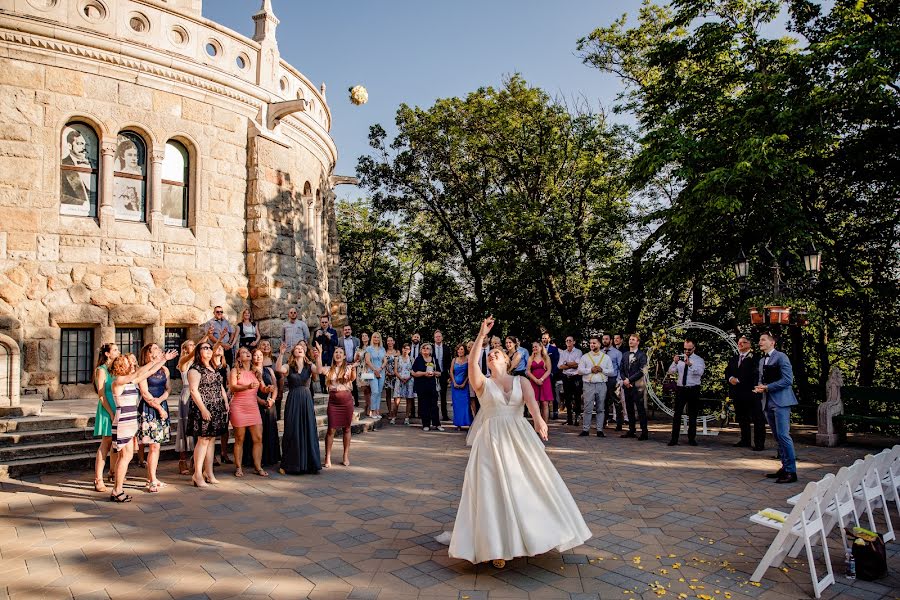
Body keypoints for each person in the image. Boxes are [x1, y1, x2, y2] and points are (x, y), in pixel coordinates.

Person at [442, 316, 591, 567]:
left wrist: (539, 421)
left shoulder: (521, 380)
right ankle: (495, 548)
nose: (492, 357)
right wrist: (481, 336)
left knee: (529, 484)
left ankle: (534, 534)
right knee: (492, 491)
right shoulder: (483, 384)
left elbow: (533, 405)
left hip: (519, 438)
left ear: (507, 360)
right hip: (491, 440)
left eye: (496, 355)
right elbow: (471, 364)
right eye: (489, 355)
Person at [108, 348, 178, 502]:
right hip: (123, 422)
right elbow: (138, 373)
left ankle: (117, 489)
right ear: (120, 366)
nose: (132, 363)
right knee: (124, 457)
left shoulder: (130, 380)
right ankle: (117, 490)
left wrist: (163, 360)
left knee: (126, 456)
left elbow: (145, 373)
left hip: (131, 421)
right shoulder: (118, 381)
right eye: (128, 362)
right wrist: (155, 360)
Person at [755, 333, 799, 484]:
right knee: (777, 437)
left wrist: (767, 387)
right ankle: (784, 467)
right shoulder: (762, 360)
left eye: (763, 340)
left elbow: (788, 380)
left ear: (772, 343)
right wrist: (760, 388)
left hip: (781, 402)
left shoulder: (781, 357)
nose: (760, 342)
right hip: (767, 402)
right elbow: (762, 379)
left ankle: (791, 472)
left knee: (783, 435)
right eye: (760, 340)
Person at [186, 342, 230, 488]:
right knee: (203, 440)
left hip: (216, 407)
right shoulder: (195, 369)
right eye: (205, 348)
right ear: (199, 352)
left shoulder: (213, 367)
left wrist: (225, 401)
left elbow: (220, 386)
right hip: (202, 408)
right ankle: (197, 474)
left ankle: (209, 473)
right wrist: (203, 409)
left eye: (210, 348)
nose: (209, 350)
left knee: (211, 440)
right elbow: (193, 391)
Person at [277, 342, 322, 474]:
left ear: (304, 351)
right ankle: (290, 464)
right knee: (292, 429)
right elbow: (279, 369)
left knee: (308, 428)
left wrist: (318, 356)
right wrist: (281, 353)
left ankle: (309, 463)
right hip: (293, 399)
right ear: (293, 353)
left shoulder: (309, 365)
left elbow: (319, 371)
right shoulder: (289, 366)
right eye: (297, 349)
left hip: (306, 399)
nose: (299, 350)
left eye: (301, 348)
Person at [137, 343, 172, 493]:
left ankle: (153, 477)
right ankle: (150, 479)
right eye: (156, 349)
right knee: (152, 444)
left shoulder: (164, 369)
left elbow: (168, 388)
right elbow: (144, 392)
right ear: (148, 354)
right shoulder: (143, 370)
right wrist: (156, 405)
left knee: (157, 445)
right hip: (148, 408)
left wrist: (161, 400)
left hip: (161, 405)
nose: (159, 350)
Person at [316, 344, 355, 467]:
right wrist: (320, 354)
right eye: (336, 352)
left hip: (347, 402)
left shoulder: (349, 368)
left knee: (347, 428)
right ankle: (327, 457)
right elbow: (318, 370)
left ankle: (345, 455)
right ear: (333, 355)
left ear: (344, 356)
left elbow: (352, 378)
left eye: (340, 353)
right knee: (331, 429)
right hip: (333, 403)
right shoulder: (329, 369)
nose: (338, 354)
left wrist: (353, 369)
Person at [229, 347, 265, 477]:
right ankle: (238, 467)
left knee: (258, 438)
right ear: (239, 358)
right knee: (239, 438)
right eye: (244, 352)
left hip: (253, 407)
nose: (248, 353)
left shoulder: (256, 371)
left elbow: (263, 388)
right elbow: (233, 387)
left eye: (248, 352)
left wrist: (270, 389)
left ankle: (258, 467)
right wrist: (247, 387)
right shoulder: (235, 371)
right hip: (238, 406)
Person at [725, 336, 764, 451]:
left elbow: (754, 373)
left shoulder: (755, 358)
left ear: (749, 345)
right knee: (742, 418)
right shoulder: (734, 358)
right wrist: (730, 378)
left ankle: (759, 443)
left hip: (751, 392)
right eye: (739, 342)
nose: (740, 344)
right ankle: (745, 440)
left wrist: (739, 380)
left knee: (757, 419)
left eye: (743, 342)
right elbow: (727, 371)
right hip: (737, 393)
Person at [667, 338, 706, 446]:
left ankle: (692, 439)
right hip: (681, 389)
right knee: (677, 415)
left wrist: (690, 364)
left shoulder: (699, 360)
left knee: (692, 415)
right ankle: (674, 439)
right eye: (685, 349)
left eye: (689, 349)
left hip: (693, 388)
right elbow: (671, 371)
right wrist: (674, 362)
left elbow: (700, 373)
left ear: (694, 348)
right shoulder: (680, 358)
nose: (686, 352)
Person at [92, 343, 119, 493]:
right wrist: (111, 412)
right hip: (106, 407)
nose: (118, 351)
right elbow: (101, 394)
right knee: (106, 442)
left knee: (116, 442)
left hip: (117, 405)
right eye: (115, 350)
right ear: (107, 354)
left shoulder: (115, 369)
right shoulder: (101, 370)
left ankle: (113, 472)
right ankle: (98, 478)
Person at [577, 337, 614, 437]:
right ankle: (585, 429)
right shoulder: (585, 357)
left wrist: (602, 370)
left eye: (594, 343)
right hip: (588, 385)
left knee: (601, 408)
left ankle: (599, 430)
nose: (592, 345)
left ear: (599, 344)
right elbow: (580, 370)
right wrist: (590, 370)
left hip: (601, 385)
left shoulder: (606, 358)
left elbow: (611, 371)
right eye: (591, 343)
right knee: (587, 408)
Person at [252, 345, 281, 466]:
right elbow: (251, 392)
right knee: (258, 432)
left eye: (260, 355)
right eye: (255, 355)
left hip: (270, 403)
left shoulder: (269, 370)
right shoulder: (251, 371)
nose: (258, 357)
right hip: (256, 403)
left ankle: (271, 457)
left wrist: (272, 400)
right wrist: (261, 401)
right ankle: (259, 459)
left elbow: (275, 386)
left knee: (270, 429)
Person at [620, 334, 649, 440]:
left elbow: (643, 371)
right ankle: (631, 430)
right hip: (627, 386)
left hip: (638, 386)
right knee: (629, 408)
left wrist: (630, 380)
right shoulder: (625, 354)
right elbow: (621, 369)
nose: (630, 341)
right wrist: (624, 380)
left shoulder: (642, 355)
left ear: (638, 342)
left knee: (641, 409)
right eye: (630, 339)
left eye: (633, 340)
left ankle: (644, 432)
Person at [175, 340, 196, 475]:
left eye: (195, 344)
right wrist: (206, 336)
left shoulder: (198, 362)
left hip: (198, 394)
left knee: (197, 427)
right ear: (185, 348)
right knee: (184, 426)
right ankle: (182, 460)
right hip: (187, 394)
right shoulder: (183, 361)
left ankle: (195, 458)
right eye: (191, 344)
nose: (194, 346)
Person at [412, 343, 442, 431]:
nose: (425, 349)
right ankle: (426, 424)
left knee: (434, 405)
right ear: (421, 350)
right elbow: (414, 373)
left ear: (430, 351)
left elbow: (439, 373)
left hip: (432, 385)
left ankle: (437, 424)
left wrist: (433, 373)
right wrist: (424, 373)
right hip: (422, 385)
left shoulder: (434, 360)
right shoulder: (418, 360)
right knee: (424, 405)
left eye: (427, 348)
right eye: (423, 348)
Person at [211, 343, 231, 466]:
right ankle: (211, 455)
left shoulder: (226, 366)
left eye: (221, 348)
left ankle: (224, 453)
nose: (219, 349)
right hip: (211, 398)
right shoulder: (209, 365)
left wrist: (227, 396)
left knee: (225, 428)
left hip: (223, 398)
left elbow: (228, 383)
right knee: (212, 428)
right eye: (217, 347)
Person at [526, 341, 554, 429]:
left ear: (541, 347)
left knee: (545, 403)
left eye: (536, 347)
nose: (534, 348)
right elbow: (528, 371)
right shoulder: (531, 358)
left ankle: (544, 426)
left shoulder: (546, 358)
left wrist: (541, 379)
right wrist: (535, 380)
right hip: (533, 381)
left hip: (544, 381)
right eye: (533, 347)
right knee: (535, 403)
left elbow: (549, 370)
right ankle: (537, 425)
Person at [558, 336, 583, 426]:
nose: (568, 342)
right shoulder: (563, 353)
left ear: (574, 342)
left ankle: (577, 417)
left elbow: (577, 365)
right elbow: (559, 366)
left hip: (575, 377)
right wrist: (571, 364)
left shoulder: (578, 352)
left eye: (570, 340)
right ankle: (569, 419)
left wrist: (566, 363)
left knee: (577, 398)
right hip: (566, 377)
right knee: (567, 399)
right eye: (567, 341)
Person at [601, 334, 624, 430]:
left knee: (616, 402)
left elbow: (620, 367)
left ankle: (619, 424)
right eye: (603, 339)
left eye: (606, 339)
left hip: (613, 379)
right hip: (602, 379)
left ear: (611, 340)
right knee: (603, 401)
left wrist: (618, 380)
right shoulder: (601, 352)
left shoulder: (617, 353)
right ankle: (603, 422)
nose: (604, 341)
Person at [312, 314, 339, 393]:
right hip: (321, 355)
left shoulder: (333, 331)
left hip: (330, 355)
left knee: (331, 371)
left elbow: (336, 343)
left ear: (328, 322)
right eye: (322, 322)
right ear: (320, 323)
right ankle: (323, 388)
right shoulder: (317, 331)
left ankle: (330, 387)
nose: (324, 324)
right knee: (321, 372)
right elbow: (313, 344)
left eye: (325, 322)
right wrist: (316, 337)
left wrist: (330, 338)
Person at [365, 332, 387, 419]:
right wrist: (375, 370)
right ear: (372, 338)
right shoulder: (369, 348)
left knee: (379, 392)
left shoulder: (382, 349)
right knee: (375, 391)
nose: (376, 339)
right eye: (374, 337)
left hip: (381, 372)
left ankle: (378, 411)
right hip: (372, 372)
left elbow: (385, 361)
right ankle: (372, 411)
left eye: (378, 337)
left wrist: (380, 369)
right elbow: (367, 361)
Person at [451, 344, 472, 430]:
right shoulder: (454, 359)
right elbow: (451, 372)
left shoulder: (468, 359)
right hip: (455, 385)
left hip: (464, 384)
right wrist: (454, 382)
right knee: (457, 405)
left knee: (466, 403)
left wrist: (464, 383)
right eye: (458, 350)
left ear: (464, 350)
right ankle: (458, 424)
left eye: (462, 349)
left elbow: (469, 372)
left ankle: (468, 423)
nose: (460, 351)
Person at [340, 325, 361, 406]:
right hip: (344, 364)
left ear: (351, 331)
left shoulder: (356, 340)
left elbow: (359, 351)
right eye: (345, 330)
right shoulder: (340, 340)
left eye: (349, 329)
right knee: (345, 383)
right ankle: (347, 401)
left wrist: (355, 363)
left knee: (354, 383)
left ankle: (356, 401)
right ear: (343, 331)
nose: (347, 331)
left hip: (354, 364)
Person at [541, 332, 561, 420]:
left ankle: (555, 412)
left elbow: (556, 362)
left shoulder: (554, 349)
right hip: (540, 375)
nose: (544, 340)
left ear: (549, 339)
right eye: (542, 338)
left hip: (551, 374)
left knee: (553, 393)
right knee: (542, 394)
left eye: (545, 338)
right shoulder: (539, 349)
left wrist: (552, 372)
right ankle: (545, 412)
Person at [394, 343, 414, 426]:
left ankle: (406, 418)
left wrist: (408, 378)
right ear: (402, 349)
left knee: (409, 399)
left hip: (409, 381)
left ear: (410, 350)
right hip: (399, 380)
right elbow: (395, 370)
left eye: (408, 349)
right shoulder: (397, 359)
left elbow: (413, 371)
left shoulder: (412, 359)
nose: (406, 350)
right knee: (397, 400)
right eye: (405, 348)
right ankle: (393, 417)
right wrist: (401, 378)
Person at [433, 330, 452, 421]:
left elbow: (449, 363)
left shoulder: (446, 348)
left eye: (439, 336)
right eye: (436, 337)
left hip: (443, 374)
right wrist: (434, 372)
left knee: (443, 396)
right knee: (433, 396)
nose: (438, 338)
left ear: (442, 337)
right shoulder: (431, 348)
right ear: (434, 338)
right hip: (432, 375)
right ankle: (433, 415)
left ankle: (445, 415)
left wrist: (447, 375)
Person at [384, 336, 399, 423]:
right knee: (388, 394)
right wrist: (386, 372)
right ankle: (389, 411)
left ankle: (394, 412)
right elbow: (383, 362)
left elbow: (399, 362)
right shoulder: (384, 351)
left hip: (395, 375)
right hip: (387, 375)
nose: (389, 342)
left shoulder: (397, 352)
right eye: (388, 341)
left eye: (391, 340)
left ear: (394, 342)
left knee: (396, 395)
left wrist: (394, 372)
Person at [408, 332, 422, 418]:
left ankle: (420, 412)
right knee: (410, 393)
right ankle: (411, 412)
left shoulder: (422, 348)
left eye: (417, 337)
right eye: (414, 336)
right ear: (412, 338)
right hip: (409, 371)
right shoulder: (408, 347)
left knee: (420, 393)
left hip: (419, 372)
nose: (416, 338)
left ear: (419, 339)